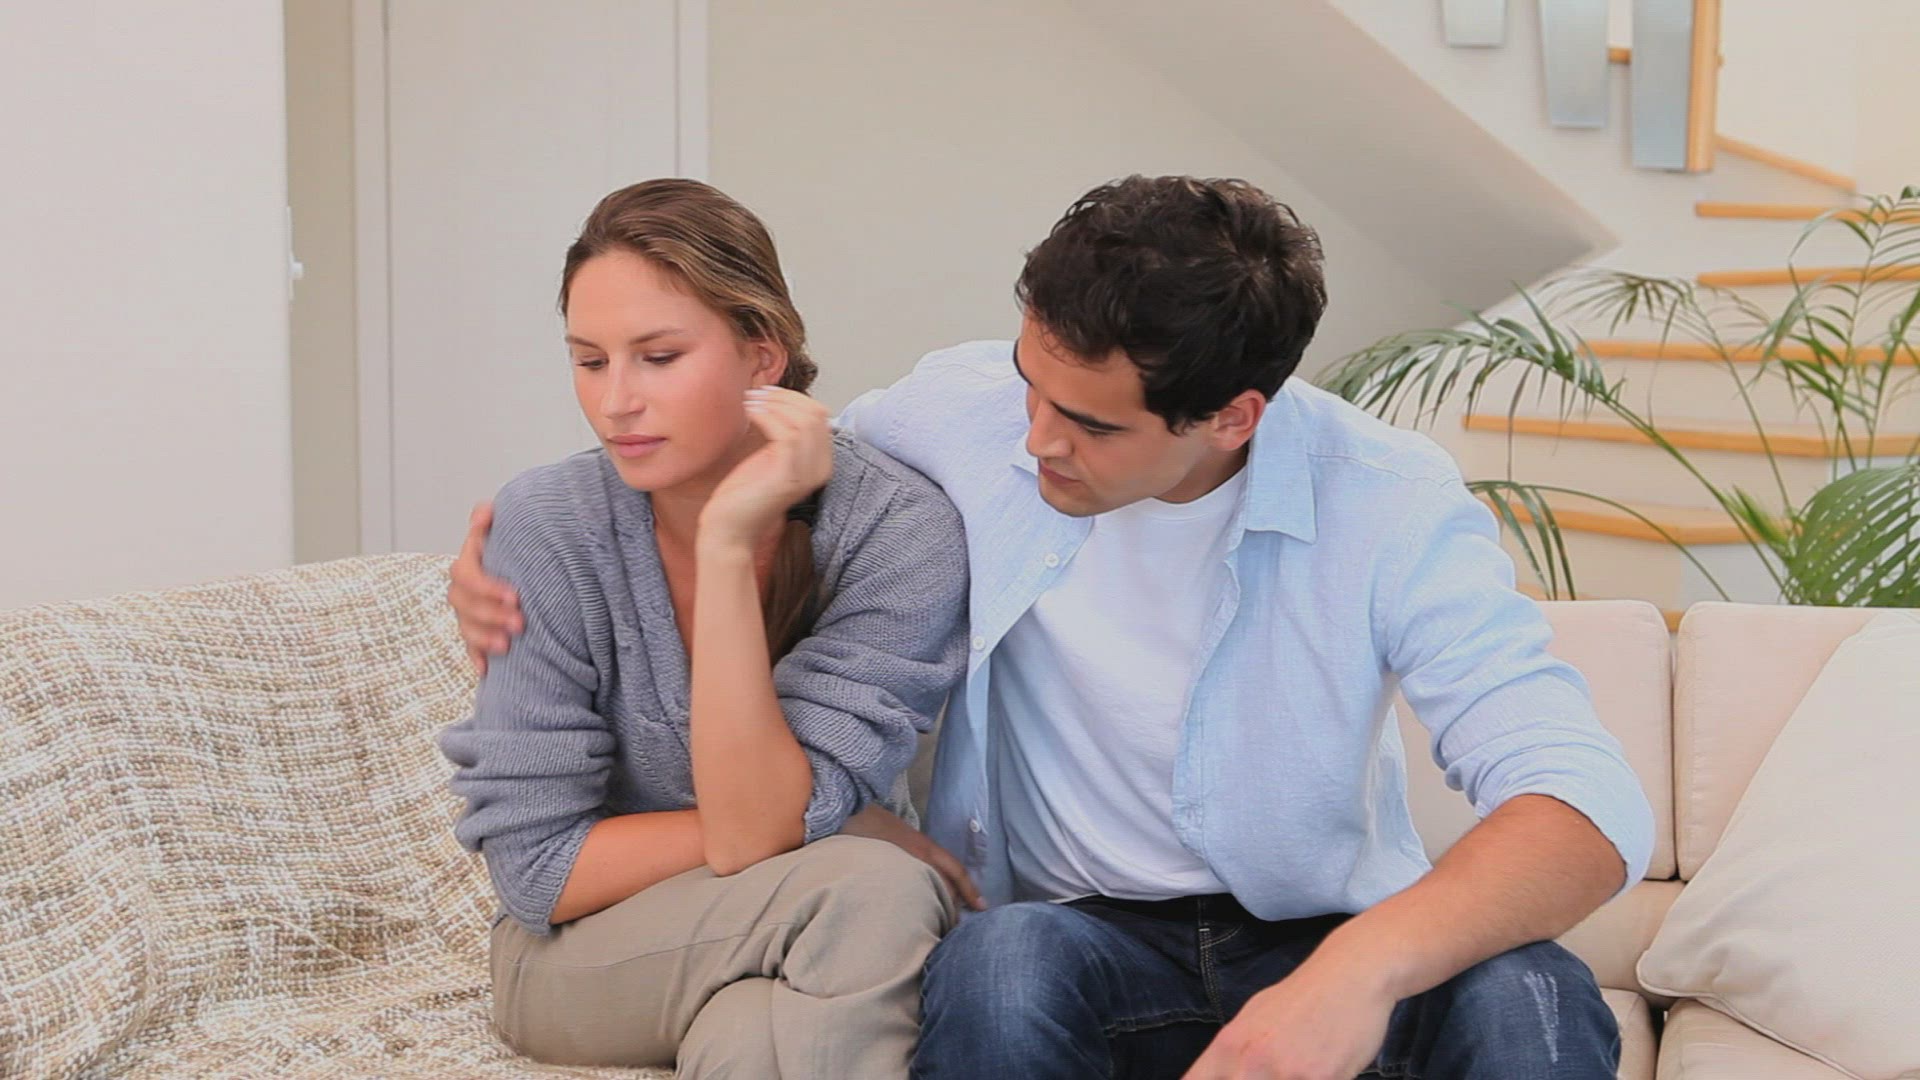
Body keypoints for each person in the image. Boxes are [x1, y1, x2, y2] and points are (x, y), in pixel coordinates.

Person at [450, 175, 1655, 1079]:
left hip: (1320, 934)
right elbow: (765, 463)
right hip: (1075, 945)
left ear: (1233, 418)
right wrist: (480, 572)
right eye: (1031, 383)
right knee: (999, 965)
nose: (1035, 441)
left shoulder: (1388, 501)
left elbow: (1587, 806)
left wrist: (1361, 970)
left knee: (1531, 993)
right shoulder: (959, 418)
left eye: (1091, 423)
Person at [435, 178, 972, 1078]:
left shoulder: (895, 529)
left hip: (811, 927)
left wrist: (725, 541)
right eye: (590, 361)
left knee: (759, 1032)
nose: (616, 403)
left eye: (658, 357)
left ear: (762, 357)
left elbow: (761, 832)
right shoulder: (548, 524)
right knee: (873, 888)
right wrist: (840, 827)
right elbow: (542, 871)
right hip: (583, 955)